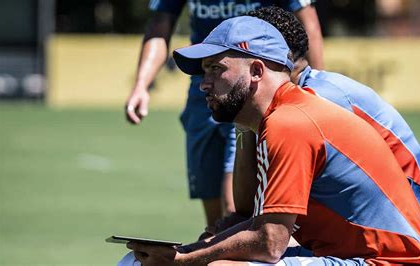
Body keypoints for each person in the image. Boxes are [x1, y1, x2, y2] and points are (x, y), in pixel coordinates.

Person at [120, 16, 420, 265]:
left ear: (257, 70)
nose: (204, 85)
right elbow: (247, 216)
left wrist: (185, 259)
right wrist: (190, 252)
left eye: (216, 70)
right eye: (204, 73)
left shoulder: (291, 121)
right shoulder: (271, 119)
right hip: (353, 257)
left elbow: (271, 242)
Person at [226, 6, 420, 255]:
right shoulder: (279, 103)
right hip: (375, 228)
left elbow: (260, 216)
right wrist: (244, 124)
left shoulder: (318, 100)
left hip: (405, 229)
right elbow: (247, 206)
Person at [124, 0, 325, 228]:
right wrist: (141, 84)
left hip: (249, 90)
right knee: (215, 222)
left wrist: (313, 88)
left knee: (234, 210)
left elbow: (309, 25)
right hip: (204, 92)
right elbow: (160, 25)